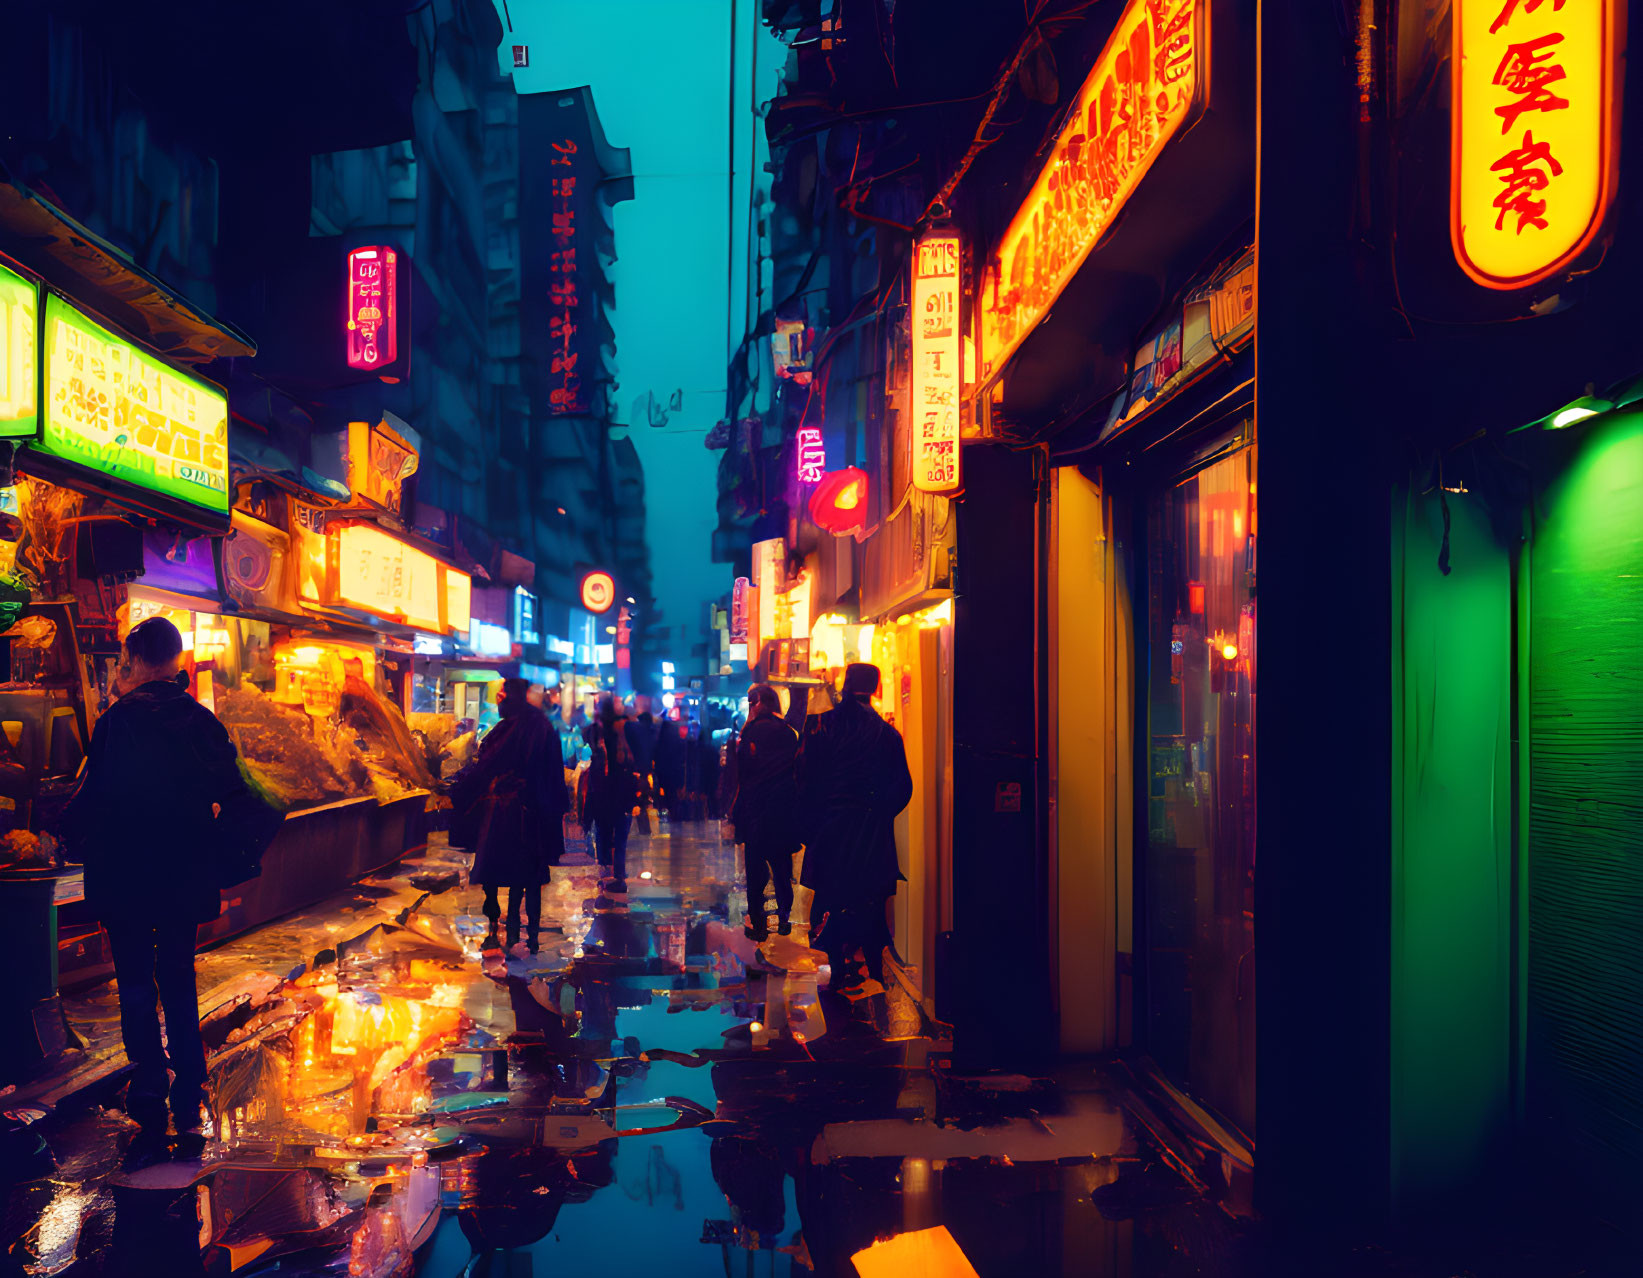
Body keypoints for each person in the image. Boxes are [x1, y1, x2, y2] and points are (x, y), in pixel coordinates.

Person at [61, 617, 274, 1137]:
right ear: (177, 659)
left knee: (134, 980)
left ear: (133, 658)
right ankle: (190, 1080)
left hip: (127, 877)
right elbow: (247, 799)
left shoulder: (116, 721)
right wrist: (225, 856)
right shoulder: (202, 722)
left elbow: (93, 799)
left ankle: (150, 1082)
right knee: (177, 975)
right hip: (183, 878)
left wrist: (67, 834)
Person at [799, 663, 913, 991]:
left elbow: (805, 778)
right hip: (870, 833)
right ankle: (874, 969)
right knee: (869, 899)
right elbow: (902, 788)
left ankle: (836, 964)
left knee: (833, 896)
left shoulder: (823, 726)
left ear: (844, 685)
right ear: (876, 688)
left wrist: (813, 822)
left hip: (830, 829)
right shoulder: (888, 735)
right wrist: (877, 814)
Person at [449, 678, 568, 953]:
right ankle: (528, 937)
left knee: (505, 872)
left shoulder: (516, 728)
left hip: (512, 814)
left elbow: (488, 765)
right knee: (529, 878)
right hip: (535, 815)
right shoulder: (539, 726)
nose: (499, 698)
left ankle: (507, 930)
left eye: (503, 693)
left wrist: (462, 788)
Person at [731, 684, 802, 941]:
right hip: (783, 809)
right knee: (782, 869)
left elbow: (741, 772)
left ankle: (760, 926)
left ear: (760, 702)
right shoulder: (788, 732)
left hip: (756, 811)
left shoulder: (751, 732)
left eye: (752, 702)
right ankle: (783, 918)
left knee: (756, 871)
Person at [580, 694, 639, 890]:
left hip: (605, 793)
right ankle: (616, 875)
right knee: (617, 836)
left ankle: (609, 874)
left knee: (605, 834)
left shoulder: (598, 732)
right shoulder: (623, 731)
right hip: (617, 793)